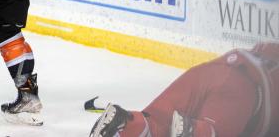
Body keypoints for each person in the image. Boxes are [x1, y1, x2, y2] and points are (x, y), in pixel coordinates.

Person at [89, 42, 279, 137]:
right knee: (209, 132)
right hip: (245, 88)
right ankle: (193, 132)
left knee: (155, 121)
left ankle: (126, 125)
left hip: (211, 71)